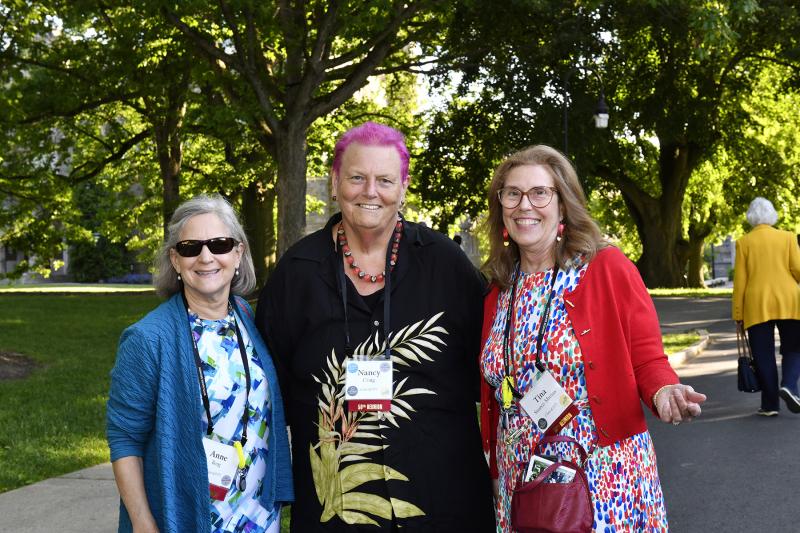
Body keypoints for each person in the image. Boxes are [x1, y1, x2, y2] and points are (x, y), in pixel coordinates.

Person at [255, 121, 494, 531]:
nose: (370, 191)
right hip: (336, 508)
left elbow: (491, 363)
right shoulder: (297, 273)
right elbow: (268, 390)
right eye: (357, 178)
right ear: (334, 182)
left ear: (402, 188)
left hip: (443, 500)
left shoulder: (446, 264)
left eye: (384, 180)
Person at [478, 145, 707, 532]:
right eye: (512, 193)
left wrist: (664, 391)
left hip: (602, 474)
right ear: (500, 207)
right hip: (523, 477)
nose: (524, 205)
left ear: (563, 206)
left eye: (539, 193)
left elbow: (647, 357)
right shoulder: (498, 289)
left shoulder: (605, 268)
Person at [106, 194, 293, 533]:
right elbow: (125, 440)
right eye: (191, 247)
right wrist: (143, 522)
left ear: (238, 253)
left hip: (257, 516)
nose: (206, 257)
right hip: (186, 517)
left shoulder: (248, 317)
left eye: (219, 244)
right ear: (175, 260)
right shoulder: (148, 340)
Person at [732, 197, 800, 416]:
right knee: (795, 347)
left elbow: (740, 281)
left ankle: (770, 406)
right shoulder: (788, 237)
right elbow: (798, 269)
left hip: (756, 304)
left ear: (750, 217)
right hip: (789, 301)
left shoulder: (744, 242)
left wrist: (738, 314)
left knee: (763, 355)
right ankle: (789, 385)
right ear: (772, 215)